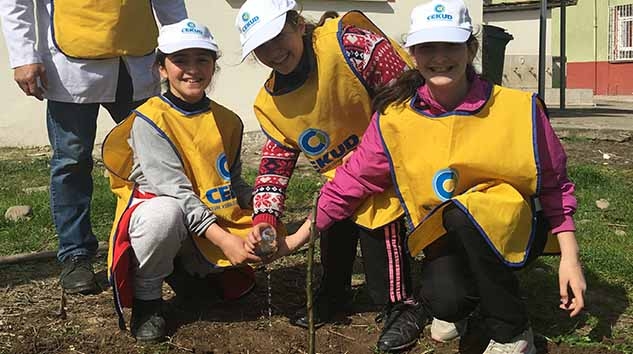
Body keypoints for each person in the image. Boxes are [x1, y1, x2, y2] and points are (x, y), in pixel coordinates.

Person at [256, 0, 587, 353]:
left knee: (466, 213)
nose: (439, 57)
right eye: (428, 47)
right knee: (442, 302)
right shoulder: (396, 118)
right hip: (445, 233)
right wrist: (293, 241)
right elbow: (350, 183)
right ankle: (468, 297)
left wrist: (570, 256)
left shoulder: (517, 109)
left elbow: (555, 185)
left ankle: (512, 330)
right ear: (413, 53)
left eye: (451, 46)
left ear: (471, 48)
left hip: (514, 228)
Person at [235, 0, 426, 351]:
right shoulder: (272, 101)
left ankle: (400, 304)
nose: (274, 52)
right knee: (333, 222)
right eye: (261, 46)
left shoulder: (352, 47)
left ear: (298, 24)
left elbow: (407, 99)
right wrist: (265, 218)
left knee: (379, 228)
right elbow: (274, 167)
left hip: (391, 162)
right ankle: (334, 293)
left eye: (278, 36)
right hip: (342, 182)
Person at [0, 0, 187, 295]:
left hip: (137, 59)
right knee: (72, 161)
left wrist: (182, 45)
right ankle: (76, 254)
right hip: (70, 64)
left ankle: (162, 247)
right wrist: (24, 55)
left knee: (156, 159)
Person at [101, 19, 263, 343]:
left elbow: (231, 180)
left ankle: (190, 271)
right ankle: (148, 297)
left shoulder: (228, 120)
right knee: (165, 214)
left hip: (206, 216)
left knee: (232, 275)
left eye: (202, 59)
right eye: (180, 60)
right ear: (162, 68)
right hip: (164, 215)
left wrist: (258, 200)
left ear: (214, 65)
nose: (192, 69)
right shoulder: (149, 120)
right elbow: (176, 193)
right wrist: (226, 241)